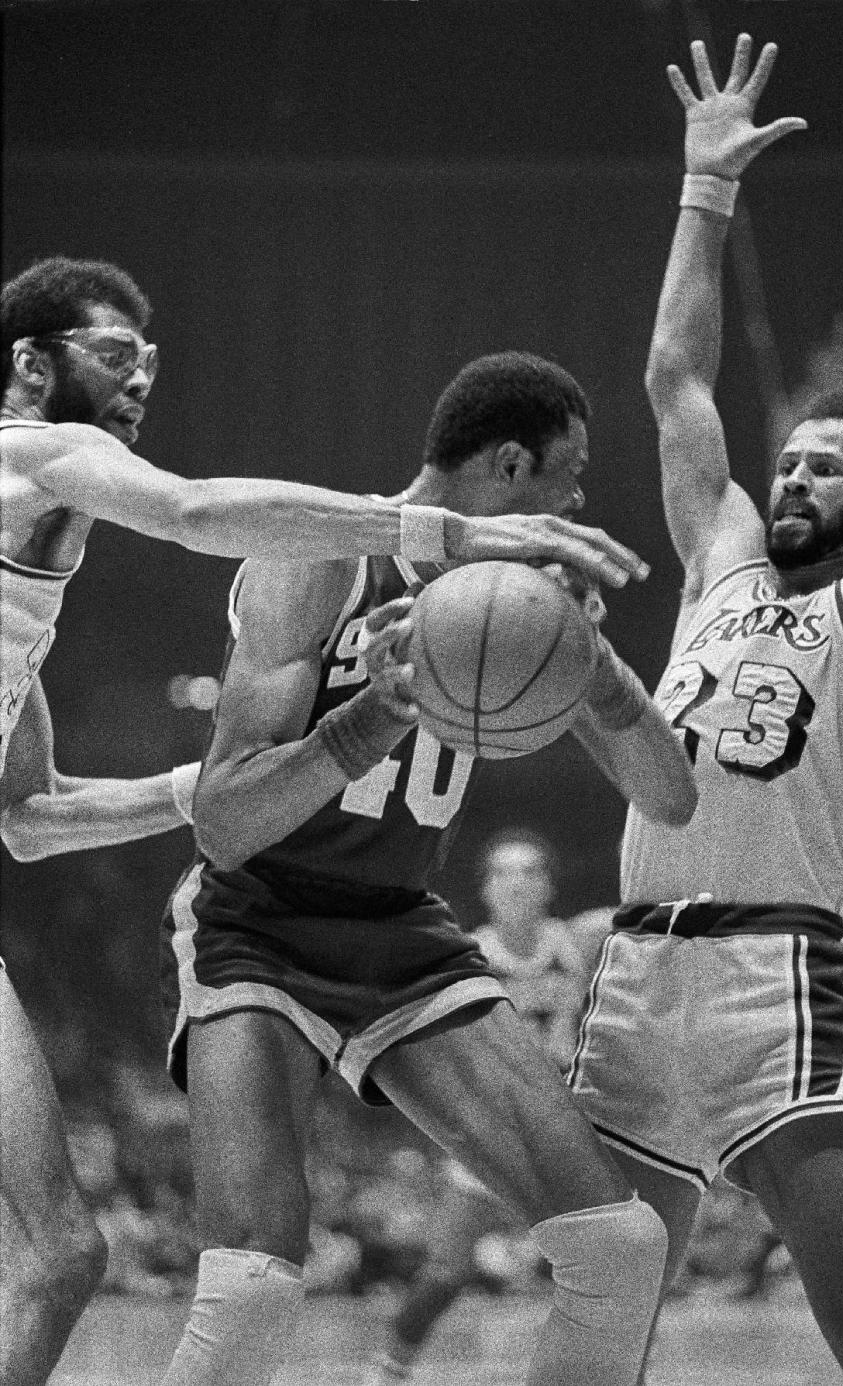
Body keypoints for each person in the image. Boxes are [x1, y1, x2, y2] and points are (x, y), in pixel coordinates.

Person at [0, 256, 647, 1386]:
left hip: (393, 927)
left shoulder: (30, 590)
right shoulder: (33, 449)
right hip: (260, 931)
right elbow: (197, 509)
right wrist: (454, 539)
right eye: (114, 353)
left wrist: (219, 783)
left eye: (150, 359)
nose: (140, 377)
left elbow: (26, 818)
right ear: (27, 363)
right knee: (166, 1273)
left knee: (59, 1256)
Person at [158, 349, 697, 1386]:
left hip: (400, 925)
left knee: (619, 1251)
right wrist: (377, 711)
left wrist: (600, 668)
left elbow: (670, 795)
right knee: (257, 1291)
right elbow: (225, 823)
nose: (578, 501)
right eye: (568, 475)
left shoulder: (526, 602)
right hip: (257, 923)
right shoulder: (319, 559)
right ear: (507, 466)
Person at [568, 16, 843, 1385]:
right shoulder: (720, 564)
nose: (790, 480)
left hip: (767, 977)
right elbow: (675, 378)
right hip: (630, 974)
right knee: (596, 1318)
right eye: (786, 461)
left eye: (825, 470)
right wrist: (704, 185)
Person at [365, 828, 599, 1383]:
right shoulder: (465, 953)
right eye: (502, 872)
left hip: (564, 1130)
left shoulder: (581, 943)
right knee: (446, 1270)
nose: (515, 883)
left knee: (605, 1266)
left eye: (528, 871)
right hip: (489, 1131)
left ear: (548, 885)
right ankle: (390, 1369)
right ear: (487, 888)